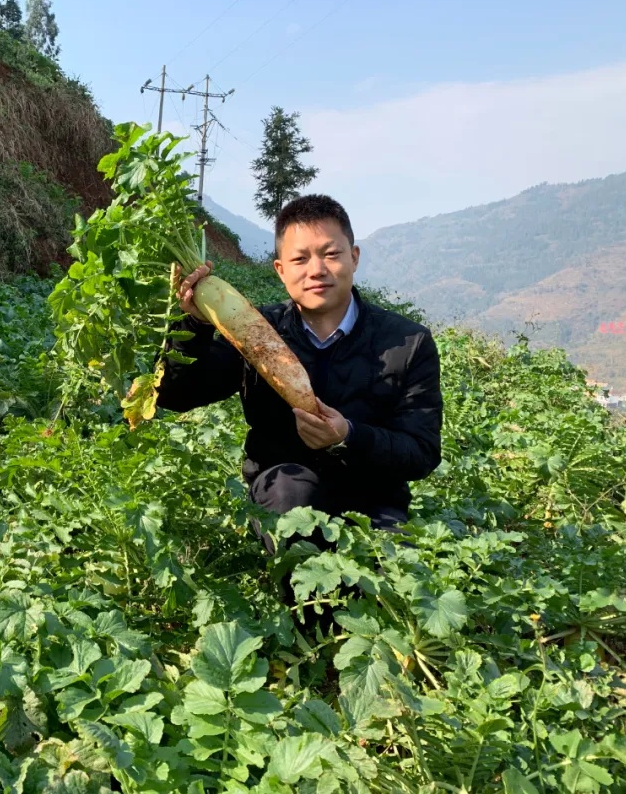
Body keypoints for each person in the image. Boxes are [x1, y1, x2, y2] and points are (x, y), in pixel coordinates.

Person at [157, 194, 443, 551]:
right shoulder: (253, 329)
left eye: (331, 254)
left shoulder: (408, 342)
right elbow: (176, 396)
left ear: (353, 258)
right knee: (293, 495)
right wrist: (194, 326)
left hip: (375, 497)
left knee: (390, 574)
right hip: (284, 488)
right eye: (300, 259)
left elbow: (421, 451)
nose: (316, 270)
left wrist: (348, 436)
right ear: (280, 270)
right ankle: (307, 604)